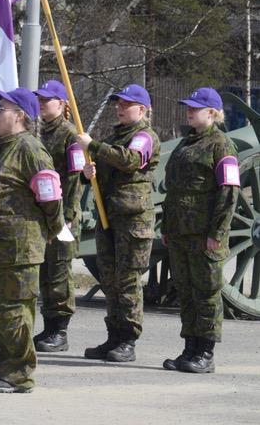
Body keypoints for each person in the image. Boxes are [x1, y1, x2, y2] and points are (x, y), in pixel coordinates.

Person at [0, 87, 65, 393]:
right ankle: (7, 367)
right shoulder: (3, 149)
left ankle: (19, 374)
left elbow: (50, 197)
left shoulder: (30, 150)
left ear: (20, 116)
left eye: (2, 111)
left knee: (13, 313)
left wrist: (52, 229)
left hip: (16, 250)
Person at [76, 83, 160, 362]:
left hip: (132, 220)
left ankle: (128, 339)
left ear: (142, 109)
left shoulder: (144, 136)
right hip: (109, 216)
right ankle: (113, 336)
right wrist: (91, 173)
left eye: (126, 104)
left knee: (127, 281)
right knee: (109, 279)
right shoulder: (117, 136)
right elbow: (110, 170)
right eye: (118, 103)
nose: (119, 108)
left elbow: (131, 161)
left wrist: (95, 147)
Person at [161, 87, 240, 374]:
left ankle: (205, 352)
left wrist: (216, 234)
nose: (189, 111)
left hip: (205, 235)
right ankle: (190, 348)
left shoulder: (222, 145)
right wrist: (168, 227)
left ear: (213, 113)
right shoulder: (185, 144)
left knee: (206, 294)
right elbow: (173, 192)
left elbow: (229, 193)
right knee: (186, 292)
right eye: (188, 107)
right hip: (181, 234)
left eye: (195, 107)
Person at [32, 80, 85, 352]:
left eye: (47, 99)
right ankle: (48, 327)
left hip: (62, 215)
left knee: (59, 273)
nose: (42, 103)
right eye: (39, 99)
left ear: (62, 104)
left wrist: (68, 215)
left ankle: (59, 331)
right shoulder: (39, 133)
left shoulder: (69, 135)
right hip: (43, 214)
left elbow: (75, 177)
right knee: (45, 272)